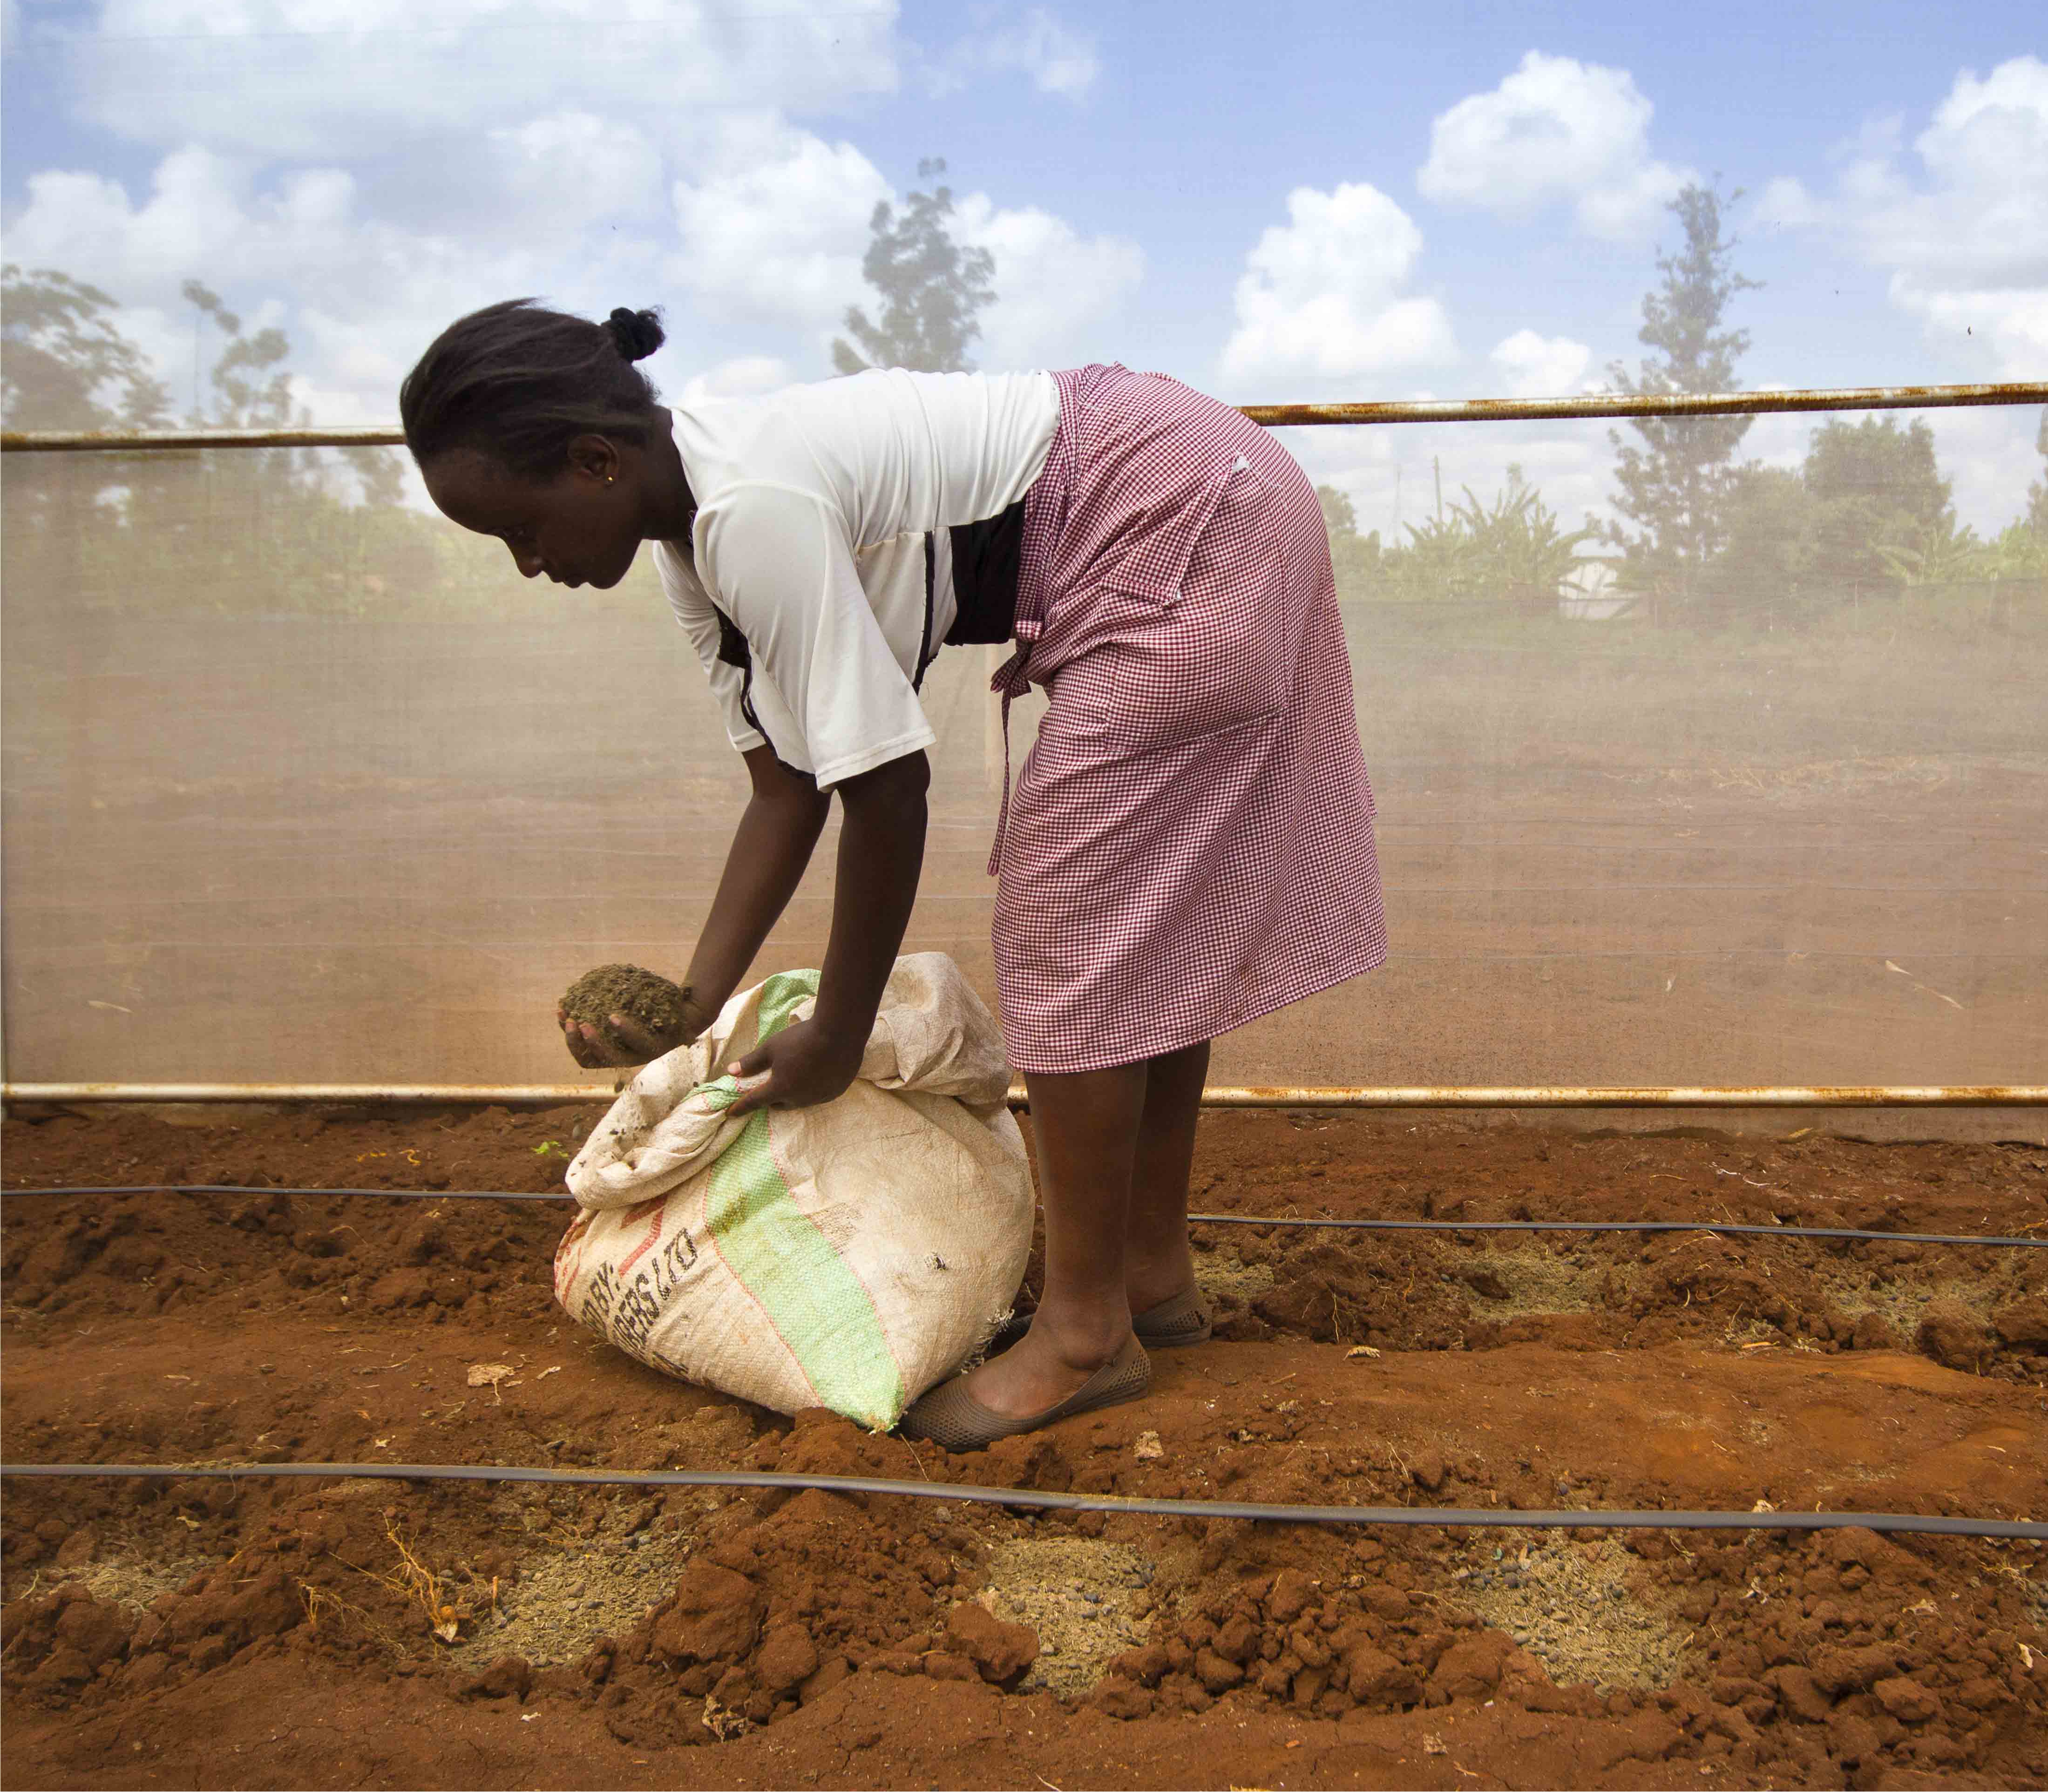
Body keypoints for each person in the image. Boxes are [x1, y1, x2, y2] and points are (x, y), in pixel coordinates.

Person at [398, 301, 1385, 1448]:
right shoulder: (694, 549)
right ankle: (1144, 1278)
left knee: (1076, 923)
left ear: (595, 461)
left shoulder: (750, 507)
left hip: (1177, 511)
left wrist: (835, 1033)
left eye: (521, 529)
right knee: (1129, 930)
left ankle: (1083, 1335)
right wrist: (687, 1005)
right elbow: (787, 789)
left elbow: (887, 791)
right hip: (1199, 486)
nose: (529, 564)